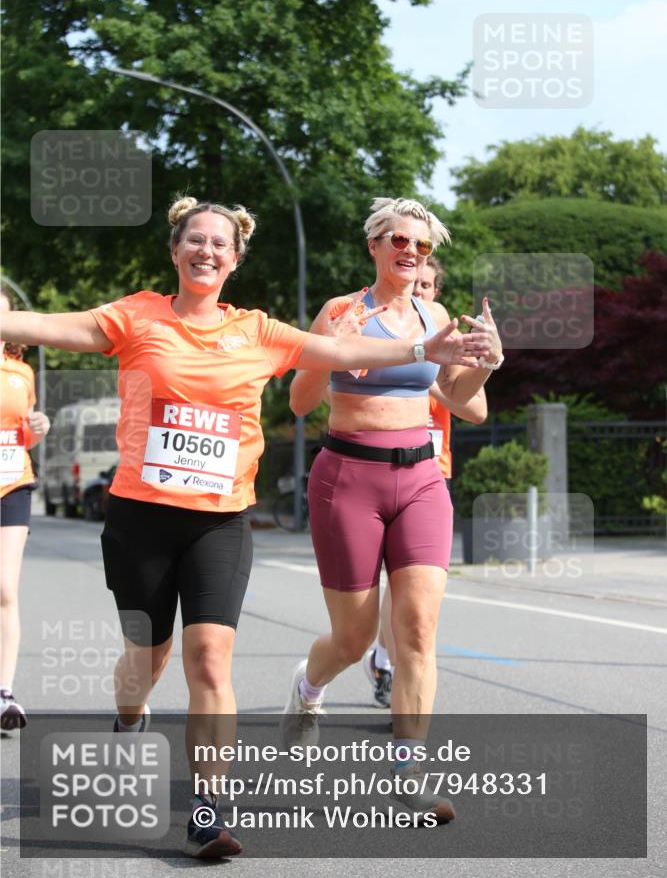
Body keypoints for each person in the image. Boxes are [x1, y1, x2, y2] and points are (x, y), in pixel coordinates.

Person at [0, 196, 492, 857]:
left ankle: (207, 807)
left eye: (219, 244)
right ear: (175, 251)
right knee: (146, 660)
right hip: (142, 515)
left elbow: (338, 348)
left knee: (209, 659)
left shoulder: (259, 331)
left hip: (220, 522)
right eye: (194, 241)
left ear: (235, 259)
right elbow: (49, 324)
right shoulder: (134, 316)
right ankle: (129, 719)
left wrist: (425, 347)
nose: (206, 251)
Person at [286, 197, 502, 823]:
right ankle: (309, 685)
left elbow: (461, 400)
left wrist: (486, 361)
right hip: (348, 477)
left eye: (423, 246)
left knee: (417, 632)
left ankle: (408, 770)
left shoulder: (432, 314)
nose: (412, 252)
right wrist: (330, 349)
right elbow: (300, 402)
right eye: (400, 241)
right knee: (354, 639)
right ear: (376, 246)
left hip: (422, 481)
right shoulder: (338, 311)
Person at [364, 255, 487, 708]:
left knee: (410, 594)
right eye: (414, 284)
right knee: (389, 589)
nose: (419, 292)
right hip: (376, 473)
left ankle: (392, 667)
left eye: (428, 286)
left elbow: (477, 411)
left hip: (430, 475)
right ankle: (381, 656)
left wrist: (431, 378)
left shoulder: (448, 340)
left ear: (436, 292)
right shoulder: (374, 327)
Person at [0, 284, 50, 731]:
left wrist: (39, 425)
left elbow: (25, 432)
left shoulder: (21, 372)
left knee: (5, 589)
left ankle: (4, 693)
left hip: (12, 482)